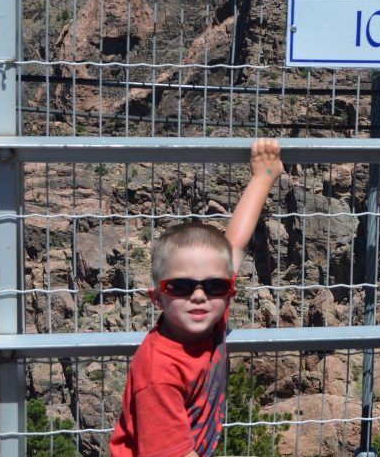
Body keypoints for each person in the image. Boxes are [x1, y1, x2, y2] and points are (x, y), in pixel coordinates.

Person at [109, 138, 283, 457]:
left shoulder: (207, 313)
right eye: (181, 287)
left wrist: (263, 176)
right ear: (157, 298)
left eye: (214, 286)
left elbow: (234, 243)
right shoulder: (159, 371)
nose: (200, 296)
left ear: (229, 293)